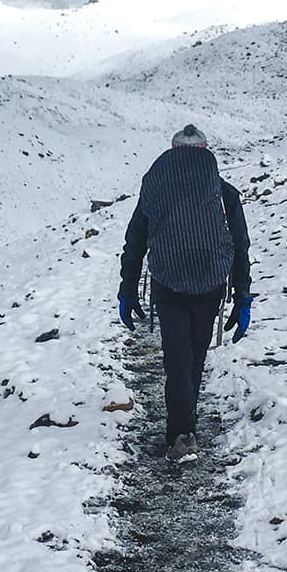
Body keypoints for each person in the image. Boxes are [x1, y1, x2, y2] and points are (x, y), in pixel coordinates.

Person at [117, 124, 252, 463]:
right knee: (195, 354)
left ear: (173, 151)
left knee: (176, 356)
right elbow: (239, 245)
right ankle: (185, 427)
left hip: (168, 283)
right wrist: (242, 297)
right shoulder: (224, 193)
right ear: (206, 151)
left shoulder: (156, 187)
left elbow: (135, 241)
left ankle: (181, 433)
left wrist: (128, 290)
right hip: (211, 283)